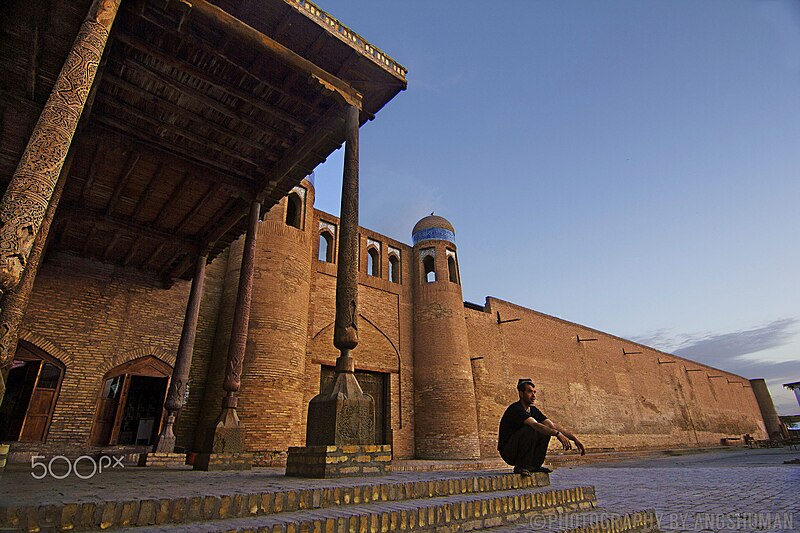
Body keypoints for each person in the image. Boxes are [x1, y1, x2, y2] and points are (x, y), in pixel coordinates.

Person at [497, 378, 585, 476]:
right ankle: (521, 466)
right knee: (532, 428)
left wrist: (574, 439)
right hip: (508, 451)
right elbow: (535, 425)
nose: (533, 396)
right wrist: (556, 434)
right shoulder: (515, 409)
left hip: (519, 449)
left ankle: (535, 466)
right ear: (521, 393)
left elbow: (552, 425)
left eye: (534, 392)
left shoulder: (533, 410)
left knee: (546, 430)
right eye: (530, 392)